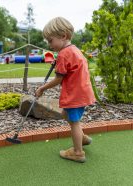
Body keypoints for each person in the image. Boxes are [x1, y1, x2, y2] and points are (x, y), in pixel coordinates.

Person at [35, 17, 96, 163]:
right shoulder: (74, 50)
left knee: (74, 122)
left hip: (75, 95)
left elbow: (58, 79)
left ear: (63, 36)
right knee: (66, 115)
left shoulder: (64, 54)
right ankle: (81, 138)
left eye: (50, 41)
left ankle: (78, 152)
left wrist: (42, 88)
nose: (50, 45)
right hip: (83, 93)